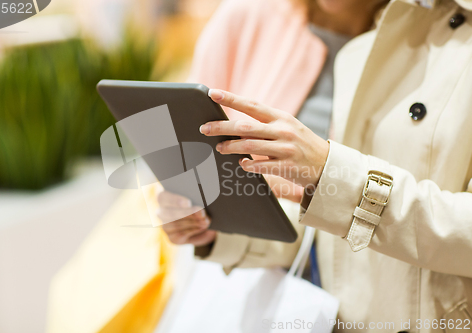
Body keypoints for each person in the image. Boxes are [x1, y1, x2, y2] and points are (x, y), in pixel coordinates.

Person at [161, 0, 472, 329]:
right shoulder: (393, 29)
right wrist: (218, 230)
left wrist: (330, 172)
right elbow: (333, 233)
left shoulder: (408, 28)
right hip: (314, 312)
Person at [158, 0, 385, 268]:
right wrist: (195, 218)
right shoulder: (248, 14)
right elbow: (187, 147)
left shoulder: (419, 43)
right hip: (237, 274)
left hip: (354, 275)